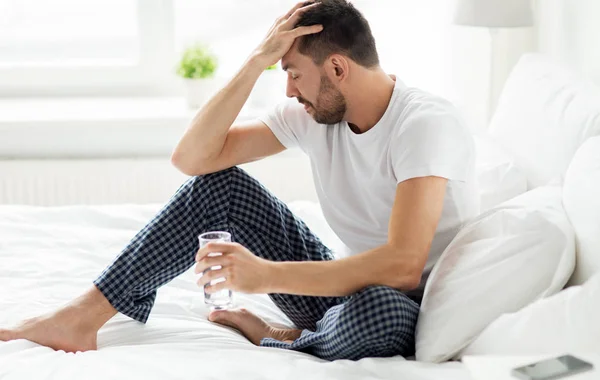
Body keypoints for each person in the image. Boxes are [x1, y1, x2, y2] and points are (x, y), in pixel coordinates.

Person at [0, 0, 478, 361]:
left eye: (292, 73)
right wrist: (257, 60)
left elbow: (402, 267)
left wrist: (264, 275)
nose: (288, 90)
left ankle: (287, 337)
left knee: (382, 310)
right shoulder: (312, 115)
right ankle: (83, 315)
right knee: (219, 186)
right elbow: (193, 159)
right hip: (340, 294)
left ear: (337, 68)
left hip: (401, 309)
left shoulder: (423, 124)